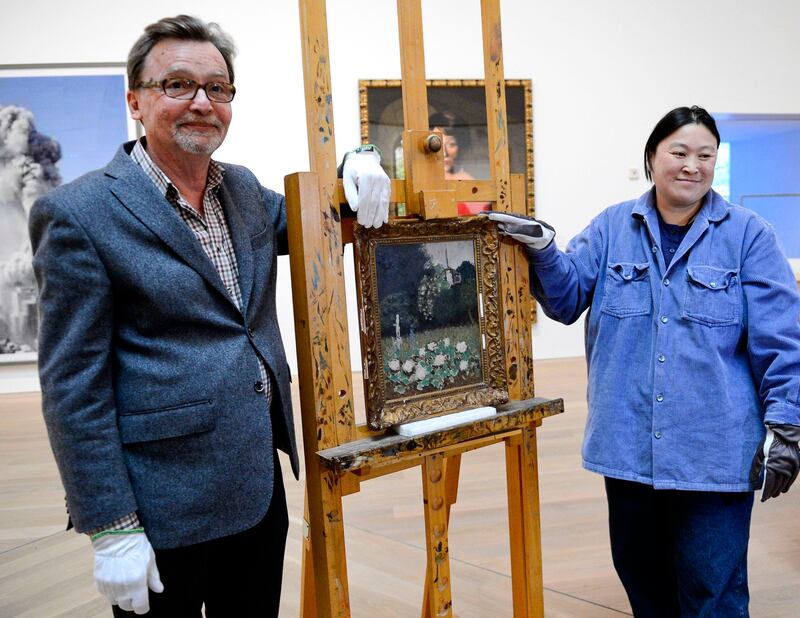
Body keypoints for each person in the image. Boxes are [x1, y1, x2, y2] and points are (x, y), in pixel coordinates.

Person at [28, 15, 389, 617]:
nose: (202, 103)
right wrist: (111, 525)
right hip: (161, 506)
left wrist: (361, 156)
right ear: (136, 101)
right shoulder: (78, 213)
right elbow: (72, 386)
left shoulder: (242, 190)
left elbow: (330, 210)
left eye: (218, 89)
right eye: (177, 85)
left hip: (255, 487)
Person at [488, 106, 800, 616]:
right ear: (652, 158)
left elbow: (781, 340)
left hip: (713, 453)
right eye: (679, 152)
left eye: (705, 155)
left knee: (713, 592)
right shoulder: (612, 227)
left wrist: (787, 426)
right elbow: (566, 301)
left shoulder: (749, 236)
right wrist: (544, 248)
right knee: (645, 584)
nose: (692, 166)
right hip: (630, 449)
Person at [429, 110, 490, 215]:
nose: (444, 153)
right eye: (437, 145)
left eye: (451, 144)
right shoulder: (424, 182)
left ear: (461, 146)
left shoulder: (471, 184)